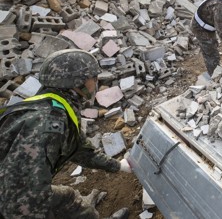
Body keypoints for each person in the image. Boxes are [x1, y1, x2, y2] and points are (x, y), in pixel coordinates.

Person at [0, 49, 131, 219]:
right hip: (13, 200)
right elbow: (20, 202)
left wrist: (117, 166)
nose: (97, 82)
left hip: (14, 188)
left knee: (68, 198)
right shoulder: (47, 125)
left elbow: (77, 147)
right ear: (77, 83)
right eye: (93, 78)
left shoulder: (52, 104)